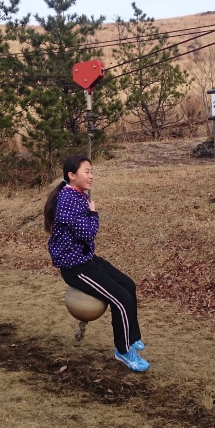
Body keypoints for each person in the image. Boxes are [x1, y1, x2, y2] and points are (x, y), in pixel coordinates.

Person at [44, 154, 149, 372]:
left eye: (92, 171)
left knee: (128, 285)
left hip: (86, 259)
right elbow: (88, 233)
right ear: (72, 175)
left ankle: (132, 336)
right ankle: (124, 351)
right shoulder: (67, 200)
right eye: (87, 172)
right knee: (121, 300)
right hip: (76, 268)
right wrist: (93, 213)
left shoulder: (77, 195)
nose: (91, 176)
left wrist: (89, 212)